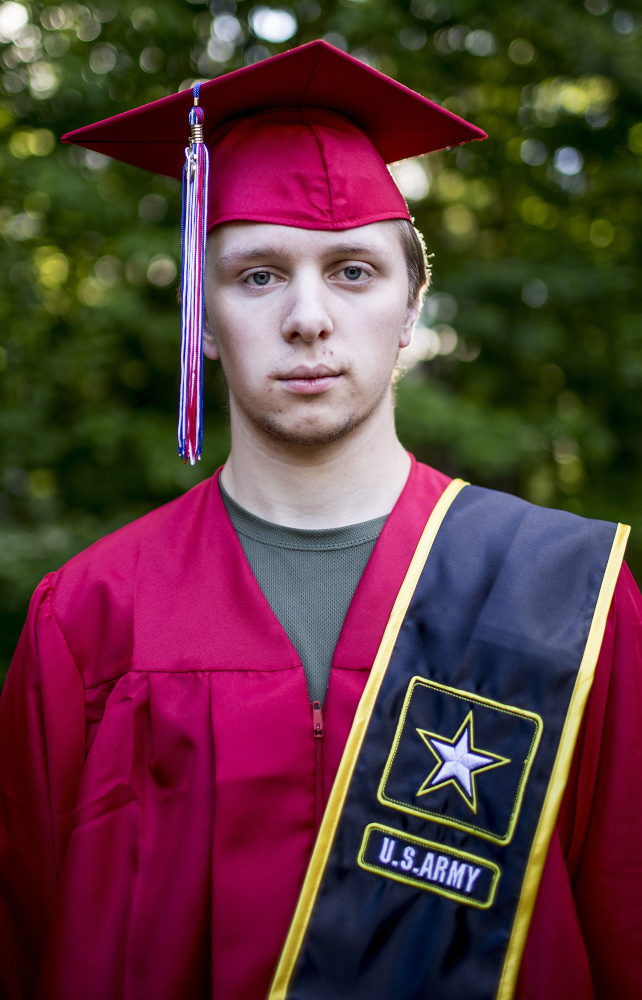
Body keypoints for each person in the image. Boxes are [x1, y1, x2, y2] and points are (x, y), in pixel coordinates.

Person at [1, 40, 641, 1000]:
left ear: (412, 308)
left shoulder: (566, 599)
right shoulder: (92, 618)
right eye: (257, 275)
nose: (307, 317)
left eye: (352, 272)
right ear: (203, 319)